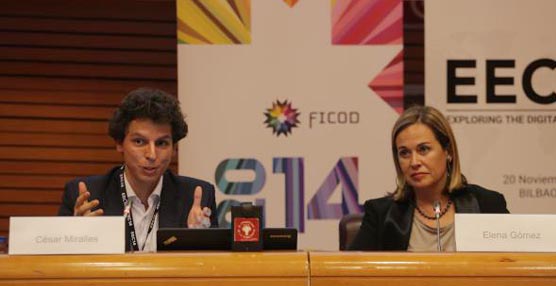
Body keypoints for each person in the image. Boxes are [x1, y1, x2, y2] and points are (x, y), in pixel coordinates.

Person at [58, 87, 217, 252]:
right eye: (139, 142)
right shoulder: (86, 196)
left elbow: (215, 268)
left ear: (174, 148)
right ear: (120, 143)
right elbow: (56, 265)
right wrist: (74, 234)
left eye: (162, 143)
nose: (151, 154)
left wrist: (199, 241)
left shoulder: (195, 196)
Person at [349, 105, 508, 251]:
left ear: (449, 152)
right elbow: (349, 274)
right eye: (404, 153)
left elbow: (516, 269)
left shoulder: (487, 205)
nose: (414, 162)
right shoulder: (380, 214)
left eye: (423, 149)